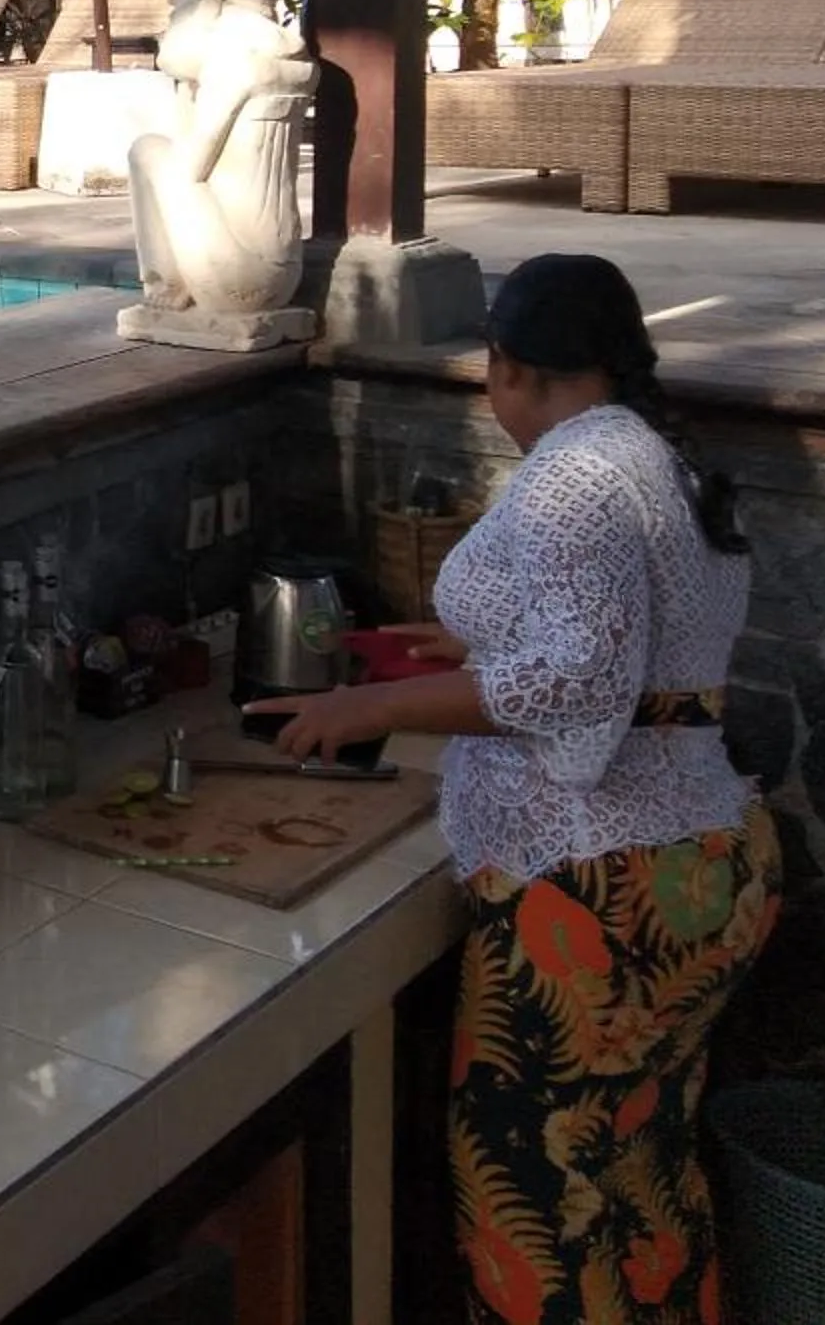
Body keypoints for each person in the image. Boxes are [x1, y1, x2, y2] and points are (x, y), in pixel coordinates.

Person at [247, 254, 777, 1325]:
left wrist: (376, 709)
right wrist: (478, 639)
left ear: (510, 367)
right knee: (642, 1184)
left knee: (534, 1204)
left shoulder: (574, 479)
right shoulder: (652, 455)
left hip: (600, 894)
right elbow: (640, 644)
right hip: (710, 864)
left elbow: (579, 681)